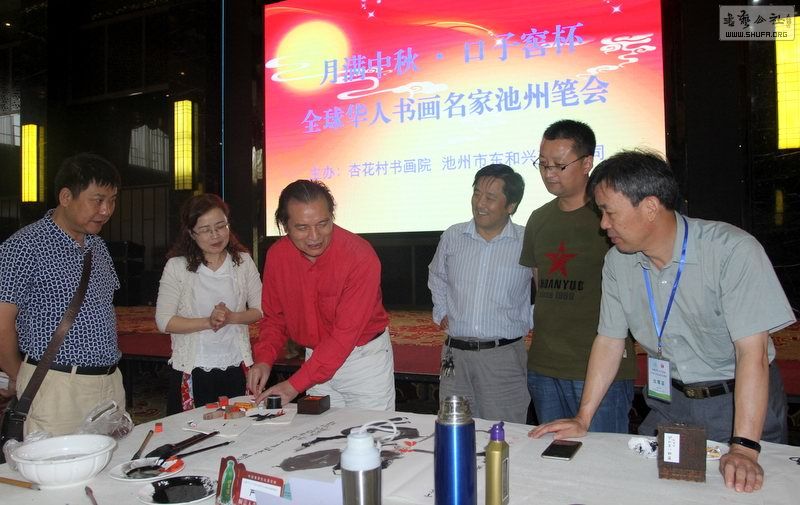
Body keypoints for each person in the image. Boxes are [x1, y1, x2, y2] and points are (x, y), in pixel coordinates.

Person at [531, 150, 794, 494]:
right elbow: (609, 341)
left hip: (735, 402)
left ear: (651, 207)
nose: (603, 224)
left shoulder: (731, 251)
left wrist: (744, 447)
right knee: (659, 493)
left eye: (609, 212)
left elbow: (753, 354)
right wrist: (583, 417)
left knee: (740, 492)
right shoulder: (618, 262)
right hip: (669, 402)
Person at [520, 120, 636, 432]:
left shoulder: (608, 218)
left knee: (601, 457)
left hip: (599, 369)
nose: (549, 173)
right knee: (552, 453)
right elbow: (541, 284)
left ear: (587, 163)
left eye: (559, 165)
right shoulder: (539, 219)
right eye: (543, 164)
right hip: (545, 366)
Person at [0, 153, 125, 435]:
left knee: (112, 460)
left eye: (112, 200)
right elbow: (1, 323)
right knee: (57, 463)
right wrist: (21, 376)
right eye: (98, 200)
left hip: (109, 383)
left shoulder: (98, 248)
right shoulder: (24, 246)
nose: (106, 210)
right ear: (66, 197)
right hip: (56, 386)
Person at [247, 180, 394, 409]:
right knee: (320, 430)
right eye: (302, 228)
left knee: (369, 430)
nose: (314, 236)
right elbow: (275, 319)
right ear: (285, 225)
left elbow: (344, 336)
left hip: (363, 361)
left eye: (323, 224)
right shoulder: (278, 256)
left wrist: (293, 385)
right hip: (315, 359)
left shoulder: (360, 256)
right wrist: (264, 360)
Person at [428, 164, 532, 423]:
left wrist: (530, 318)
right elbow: (437, 275)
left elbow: (546, 287)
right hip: (455, 357)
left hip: (502, 357)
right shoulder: (454, 236)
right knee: (454, 430)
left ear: (511, 206)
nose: (480, 204)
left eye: (490, 197)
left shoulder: (526, 241)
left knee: (503, 431)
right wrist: (441, 309)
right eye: (476, 194)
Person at [155, 194, 262, 414]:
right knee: (193, 429)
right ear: (191, 233)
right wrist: (208, 322)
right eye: (205, 230)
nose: (215, 235)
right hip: (193, 368)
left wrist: (232, 317)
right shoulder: (177, 266)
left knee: (240, 428)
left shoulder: (243, 262)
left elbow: (260, 309)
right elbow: (164, 321)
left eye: (221, 226)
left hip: (236, 364)